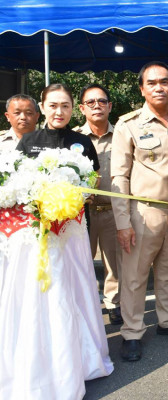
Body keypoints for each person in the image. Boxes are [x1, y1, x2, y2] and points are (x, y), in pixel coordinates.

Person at [3, 83, 112, 399]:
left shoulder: (82, 142)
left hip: (71, 232)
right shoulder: (28, 141)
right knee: (44, 293)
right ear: (43, 108)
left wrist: (75, 197)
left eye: (65, 106)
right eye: (53, 106)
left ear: (73, 109)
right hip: (37, 234)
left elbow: (93, 182)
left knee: (72, 290)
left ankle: (80, 357)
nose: (59, 111)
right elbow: (17, 184)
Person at [111, 61, 168, 362]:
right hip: (143, 212)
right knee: (134, 276)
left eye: (164, 82)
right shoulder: (128, 124)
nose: (159, 88)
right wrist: (122, 222)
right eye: (152, 83)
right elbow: (119, 176)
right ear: (142, 89)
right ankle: (132, 331)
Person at [74, 84, 123, 325]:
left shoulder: (122, 135)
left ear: (110, 106)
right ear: (81, 108)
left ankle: (114, 303)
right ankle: (88, 304)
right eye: (90, 102)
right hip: (83, 213)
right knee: (82, 261)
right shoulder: (73, 138)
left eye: (102, 101)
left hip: (114, 211)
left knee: (115, 263)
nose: (97, 106)